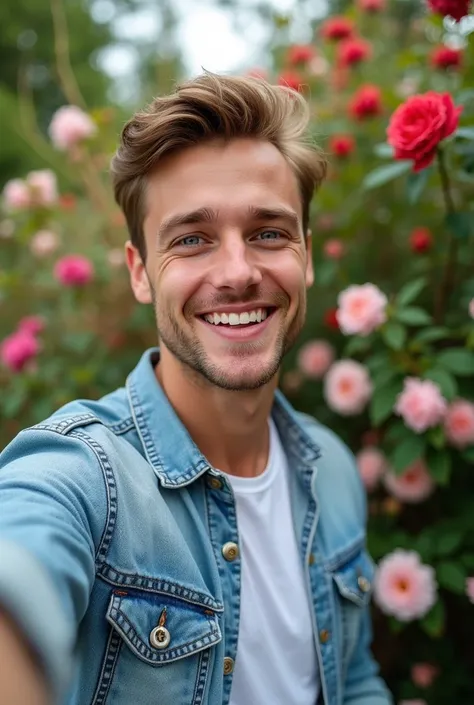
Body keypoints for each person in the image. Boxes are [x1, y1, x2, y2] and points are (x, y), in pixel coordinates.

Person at [0, 73, 392, 705]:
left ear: (308, 256)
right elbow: (18, 567)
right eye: (191, 240)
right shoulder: (83, 477)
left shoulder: (333, 470)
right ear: (140, 273)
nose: (238, 273)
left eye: (269, 232)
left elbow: (356, 678)